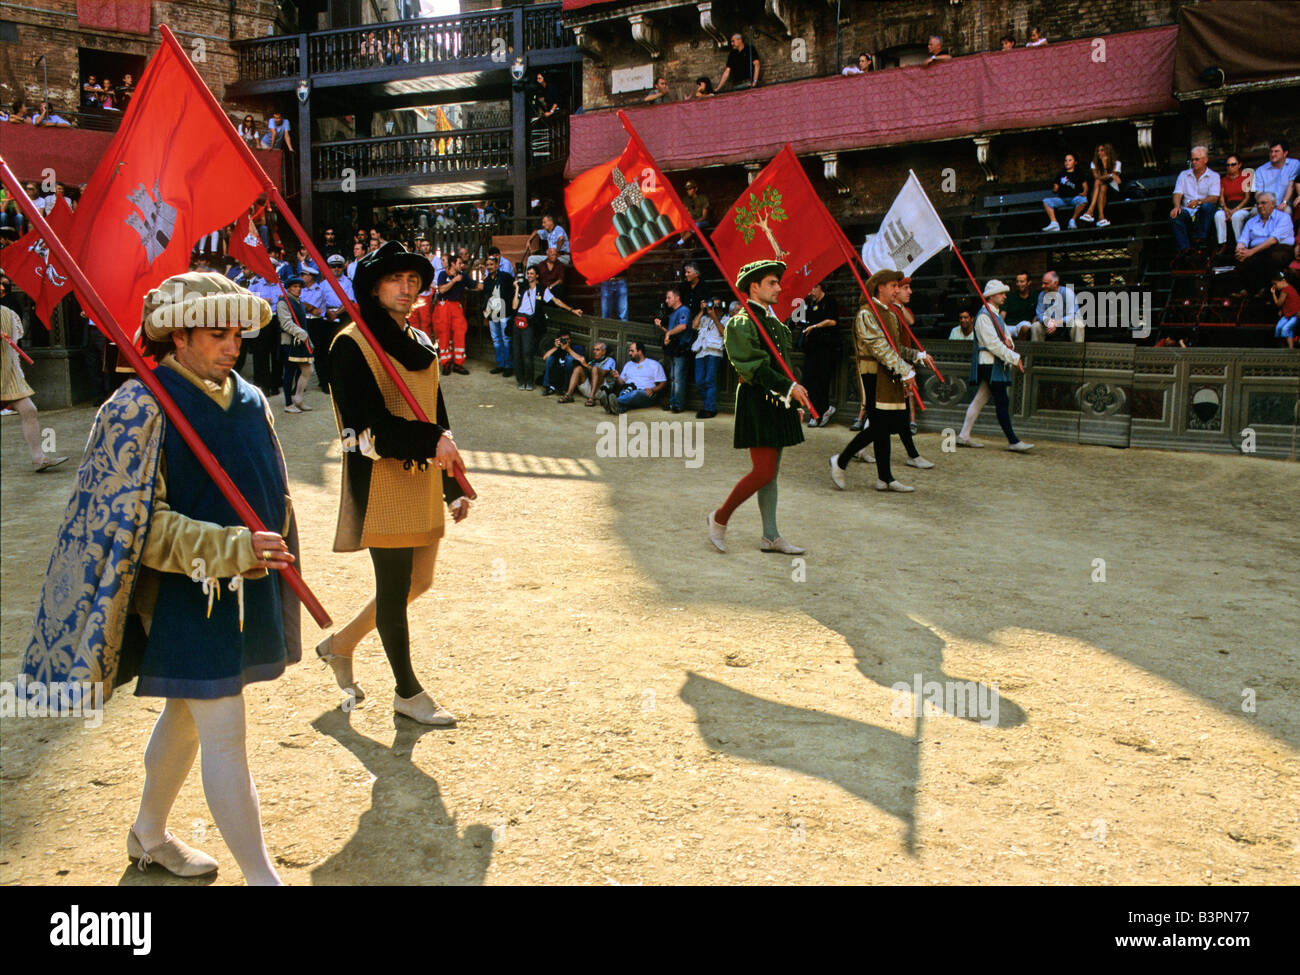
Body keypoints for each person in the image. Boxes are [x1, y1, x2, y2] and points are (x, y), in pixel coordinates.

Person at [24, 273, 298, 884]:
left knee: (187, 713)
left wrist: (262, 551)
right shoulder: (137, 408)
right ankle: (264, 879)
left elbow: (271, 491)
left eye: (238, 333)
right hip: (183, 594)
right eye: (218, 334)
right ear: (178, 335)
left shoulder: (250, 397)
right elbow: (138, 528)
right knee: (224, 730)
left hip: (243, 588)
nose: (235, 345)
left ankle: (147, 833)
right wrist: (230, 547)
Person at [319, 241, 471, 725]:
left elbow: (435, 412)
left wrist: (453, 482)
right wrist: (431, 441)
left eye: (413, 281)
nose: (407, 289)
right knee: (394, 587)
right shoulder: (351, 344)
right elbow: (365, 427)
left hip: (424, 475)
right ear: (372, 287)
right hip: (381, 480)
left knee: (418, 582)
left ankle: (340, 645)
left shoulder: (420, 341)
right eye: (394, 280)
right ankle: (406, 693)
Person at [707, 260, 812, 555]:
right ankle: (719, 518)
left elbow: (783, 365)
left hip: (778, 399)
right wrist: (789, 388)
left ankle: (770, 536)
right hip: (758, 399)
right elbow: (753, 367)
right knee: (762, 471)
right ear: (754, 287)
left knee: (771, 472)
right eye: (772, 283)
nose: (779, 288)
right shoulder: (741, 323)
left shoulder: (773, 323)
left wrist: (791, 398)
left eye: (778, 283)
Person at [829, 270, 929, 493]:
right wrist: (905, 370)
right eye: (893, 285)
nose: (897, 290)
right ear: (879, 288)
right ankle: (841, 461)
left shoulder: (890, 314)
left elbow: (895, 348)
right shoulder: (866, 314)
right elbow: (880, 349)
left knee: (884, 426)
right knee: (882, 425)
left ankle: (884, 478)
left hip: (889, 374)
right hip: (872, 374)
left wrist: (916, 356)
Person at [957, 281, 1032, 451]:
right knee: (1002, 400)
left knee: (981, 398)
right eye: (1001, 293)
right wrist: (1014, 357)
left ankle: (964, 435)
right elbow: (992, 344)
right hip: (988, 363)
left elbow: (1005, 336)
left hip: (994, 362)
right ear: (991, 296)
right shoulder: (984, 316)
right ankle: (1013, 441)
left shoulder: (996, 316)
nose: (1005, 296)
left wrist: (1010, 343)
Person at [1, 303, 68, 471]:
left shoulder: (7, 313)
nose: (2, 288)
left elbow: (12, 349)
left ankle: (39, 459)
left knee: (29, 410)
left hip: (7, 373)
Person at [511, 265, 581, 390]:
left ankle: (529, 381)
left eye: (532, 273)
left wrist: (572, 310)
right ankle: (520, 380)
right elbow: (514, 306)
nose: (529, 276)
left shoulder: (542, 289)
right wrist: (516, 288)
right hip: (518, 321)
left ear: (537, 275)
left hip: (529, 322)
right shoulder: (523, 287)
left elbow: (556, 301)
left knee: (527, 353)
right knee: (517, 353)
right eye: (528, 273)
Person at [794, 282, 841, 427]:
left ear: (820, 287)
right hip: (812, 348)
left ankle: (823, 411)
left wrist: (815, 326)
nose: (810, 292)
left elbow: (833, 322)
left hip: (825, 348)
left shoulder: (830, 301)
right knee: (809, 379)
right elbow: (803, 320)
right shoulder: (810, 304)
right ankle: (814, 412)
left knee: (822, 381)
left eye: (812, 288)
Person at [1234, 192, 1295, 295]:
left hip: (1279, 248)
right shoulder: (1251, 221)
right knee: (1241, 258)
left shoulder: (1284, 217)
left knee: (1273, 257)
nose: (1260, 206)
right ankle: (1251, 290)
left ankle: (1267, 290)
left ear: (1273, 204)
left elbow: (1273, 240)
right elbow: (1243, 239)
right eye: (1258, 203)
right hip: (1258, 249)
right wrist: (1240, 250)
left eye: (1263, 203)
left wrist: (1251, 252)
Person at [1170, 145, 1221, 253]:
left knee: (1207, 207)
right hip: (1187, 210)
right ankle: (1185, 249)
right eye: (1192, 159)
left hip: (1202, 210)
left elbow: (1214, 198)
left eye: (1197, 159)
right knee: (1176, 215)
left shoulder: (1214, 176)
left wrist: (1198, 202)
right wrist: (1176, 206)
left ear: (1205, 160)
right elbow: (1177, 193)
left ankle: (1199, 240)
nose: (1194, 162)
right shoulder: (1183, 175)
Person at [433, 253, 477, 375]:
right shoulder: (443, 274)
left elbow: (475, 285)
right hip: (443, 307)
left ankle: (458, 364)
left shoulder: (463, 276)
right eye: (459, 263)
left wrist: (489, 285)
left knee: (460, 333)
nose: (461, 266)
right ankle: (446, 363)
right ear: (452, 264)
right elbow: (441, 290)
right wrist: (454, 281)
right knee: (444, 334)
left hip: (456, 306)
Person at [276, 276, 314, 413]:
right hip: (289, 342)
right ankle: (288, 403)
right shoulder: (283, 303)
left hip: (301, 342)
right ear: (288, 288)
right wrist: (302, 334)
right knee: (289, 372)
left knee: (308, 370)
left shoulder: (298, 302)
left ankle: (298, 398)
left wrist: (307, 339)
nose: (298, 289)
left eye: (299, 287)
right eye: (294, 287)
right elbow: (286, 324)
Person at [601, 340, 667, 414]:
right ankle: (616, 408)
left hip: (644, 394)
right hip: (627, 390)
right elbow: (621, 383)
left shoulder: (654, 364)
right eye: (629, 351)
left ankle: (613, 402)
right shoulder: (628, 365)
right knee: (628, 395)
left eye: (632, 351)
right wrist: (617, 377)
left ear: (640, 351)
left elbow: (663, 383)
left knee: (635, 393)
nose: (629, 353)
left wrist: (653, 390)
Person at [655, 286, 693, 413]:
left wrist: (668, 333)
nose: (667, 300)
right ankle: (672, 403)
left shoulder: (684, 310)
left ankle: (678, 405)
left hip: (681, 349)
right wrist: (662, 327)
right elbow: (671, 333)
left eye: (669, 297)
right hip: (673, 349)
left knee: (678, 378)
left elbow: (683, 326)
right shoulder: (672, 314)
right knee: (673, 377)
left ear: (677, 298)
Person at [481, 253, 516, 375]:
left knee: (506, 339)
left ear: (497, 265)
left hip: (505, 312)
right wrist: (485, 314)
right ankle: (500, 364)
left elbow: (513, 291)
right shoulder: (487, 281)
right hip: (492, 313)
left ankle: (509, 366)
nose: (489, 267)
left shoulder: (506, 277)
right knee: (496, 340)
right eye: (487, 265)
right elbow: (485, 297)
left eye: (492, 264)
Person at [691, 299, 726, 418]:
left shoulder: (725, 318)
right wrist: (702, 311)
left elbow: (724, 333)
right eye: (712, 305)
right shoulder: (705, 318)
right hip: (701, 352)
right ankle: (709, 406)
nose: (714, 308)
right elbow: (694, 325)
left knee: (709, 381)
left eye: (717, 305)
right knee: (700, 381)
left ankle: (709, 409)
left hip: (714, 352)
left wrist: (714, 317)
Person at [1042, 153, 1090, 231]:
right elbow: (1056, 187)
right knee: (1046, 201)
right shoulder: (1061, 174)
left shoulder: (1079, 174)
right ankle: (1054, 223)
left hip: (1074, 198)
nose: (1067, 162)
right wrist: (1055, 188)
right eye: (1065, 160)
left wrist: (1084, 192)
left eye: (1070, 160)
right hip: (1062, 199)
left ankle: (1072, 220)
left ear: (1075, 162)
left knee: (1083, 200)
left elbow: (1085, 187)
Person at [560, 339, 617, 406]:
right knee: (578, 369)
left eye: (597, 350)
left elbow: (604, 373)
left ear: (604, 352)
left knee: (595, 369)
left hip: (602, 391)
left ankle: (591, 398)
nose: (594, 352)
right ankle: (569, 395)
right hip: (589, 390)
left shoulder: (610, 360)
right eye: (594, 349)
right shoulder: (592, 362)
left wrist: (586, 365)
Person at [1215, 154, 1253, 247]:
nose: (1230, 167)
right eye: (1228, 165)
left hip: (1243, 207)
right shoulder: (1223, 180)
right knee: (1218, 215)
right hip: (1228, 207)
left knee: (1236, 217)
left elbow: (1247, 197)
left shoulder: (1245, 177)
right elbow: (1222, 197)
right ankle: (1222, 243)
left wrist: (1236, 209)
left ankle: (1240, 244)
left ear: (1239, 165)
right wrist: (1225, 209)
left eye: (1233, 164)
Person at [1251, 139, 1298, 214]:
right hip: (1264, 204)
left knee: (1286, 211)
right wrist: (1264, 204)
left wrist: (1284, 202)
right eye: (1271, 151)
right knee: (1254, 212)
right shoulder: (1261, 170)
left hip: (1283, 204)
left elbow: (1291, 185)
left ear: (1285, 153)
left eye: (1276, 151)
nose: (1273, 154)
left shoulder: (1294, 164)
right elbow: (1258, 193)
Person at [1032, 270, 1082, 341]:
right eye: (1042, 283)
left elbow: (1073, 314)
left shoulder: (1067, 293)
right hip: (1049, 325)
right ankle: (1036, 351)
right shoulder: (1042, 295)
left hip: (1065, 325)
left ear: (1055, 283)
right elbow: (1040, 314)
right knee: (1035, 326)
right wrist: (1049, 321)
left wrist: (1057, 322)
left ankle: (1078, 351)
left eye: (1046, 283)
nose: (1042, 286)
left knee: (1078, 323)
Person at [1080, 143, 1121, 227]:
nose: (1099, 153)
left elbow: (1108, 179)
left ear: (1107, 151)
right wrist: (1109, 175)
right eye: (1098, 151)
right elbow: (1096, 177)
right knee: (1100, 184)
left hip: (1113, 191)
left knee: (1101, 184)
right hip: (1098, 190)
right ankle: (1101, 218)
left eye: (1102, 150)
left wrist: (1105, 166)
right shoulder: (1094, 163)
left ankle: (1090, 212)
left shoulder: (1117, 163)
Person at [540, 328, 585, 396]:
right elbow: (545, 358)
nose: (566, 341)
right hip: (557, 374)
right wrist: (555, 347)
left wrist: (568, 349)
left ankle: (566, 389)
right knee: (550, 359)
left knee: (569, 359)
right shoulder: (556, 348)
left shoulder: (576, 348)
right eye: (563, 339)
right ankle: (548, 387)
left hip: (569, 375)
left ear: (570, 339)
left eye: (567, 339)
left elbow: (581, 360)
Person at [1271, 271, 1300, 348]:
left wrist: (1273, 294)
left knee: (1285, 329)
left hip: (1295, 315)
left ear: (1283, 281)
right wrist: (1282, 310)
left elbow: (1278, 304)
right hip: (1288, 315)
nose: (1274, 286)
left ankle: (1290, 348)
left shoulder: (1286, 290)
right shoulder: (1289, 289)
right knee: (1278, 328)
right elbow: (1286, 304)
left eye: (1275, 284)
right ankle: (1282, 348)